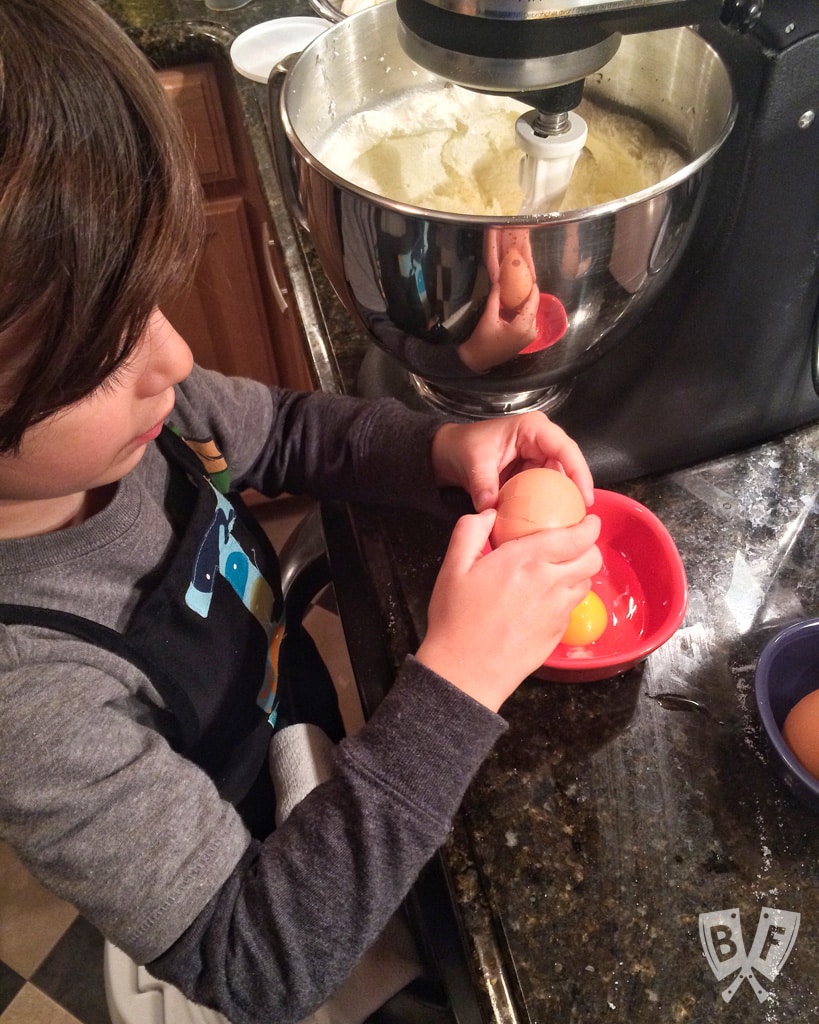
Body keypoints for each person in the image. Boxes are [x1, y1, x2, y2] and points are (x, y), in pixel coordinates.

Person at [0, 1, 603, 1023]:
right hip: (250, 891)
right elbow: (258, 959)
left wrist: (437, 447)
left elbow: (284, 433)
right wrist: (456, 679)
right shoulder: (31, 704)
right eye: (102, 356)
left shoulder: (155, 416)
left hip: (301, 757)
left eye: (148, 302)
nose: (175, 359)